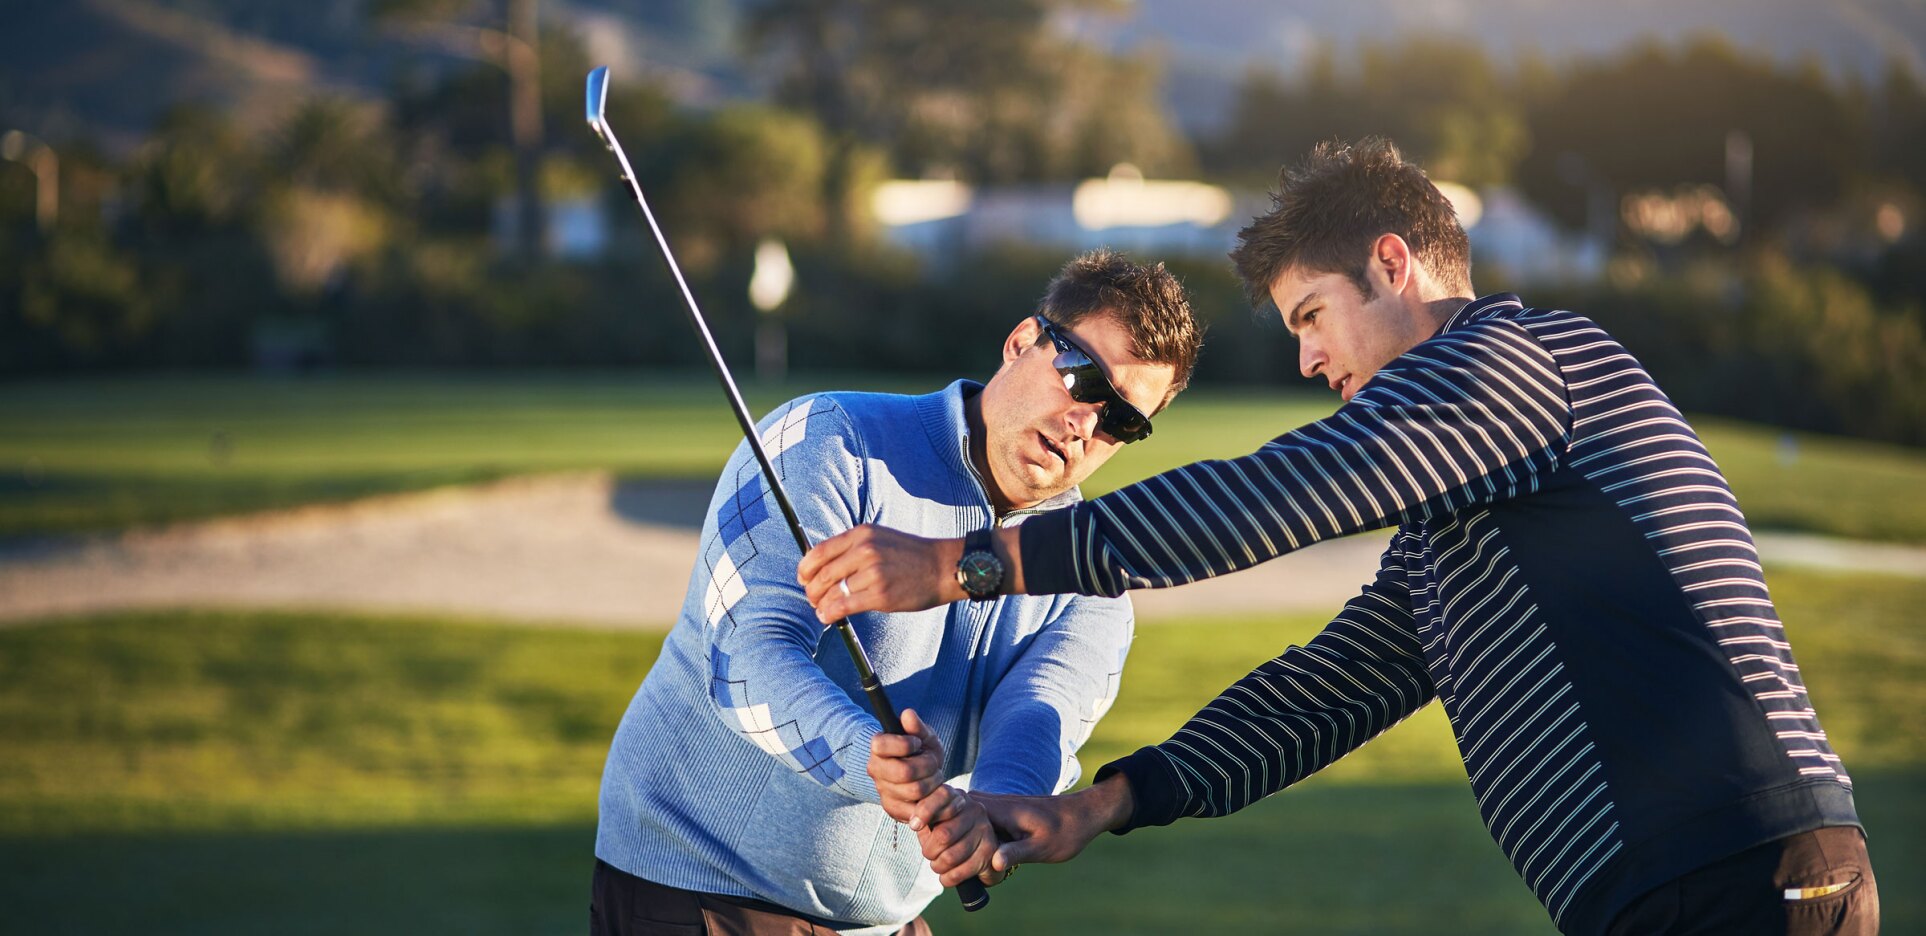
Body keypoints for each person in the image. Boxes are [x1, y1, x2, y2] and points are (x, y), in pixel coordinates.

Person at [797, 139, 1878, 936]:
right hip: (1682, 887)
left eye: (1313, 314)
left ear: (1396, 263)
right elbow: (1332, 688)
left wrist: (962, 565)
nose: (1311, 362)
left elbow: (1281, 493)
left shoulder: (1516, 363)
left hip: (1737, 869)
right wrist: (1102, 803)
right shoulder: (1469, 499)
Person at [591, 248, 1204, 935]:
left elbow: (1040, 715)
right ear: (1022, 343)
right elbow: (744, 658)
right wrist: (868, 759)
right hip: (702, 888)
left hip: (888, 920)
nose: (1086, 423)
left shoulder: (1093, 574)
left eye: (1122, 420)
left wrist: (993, 814)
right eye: (1081, 377)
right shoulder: (830, 439)